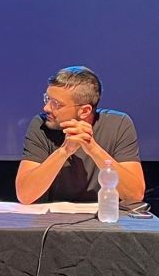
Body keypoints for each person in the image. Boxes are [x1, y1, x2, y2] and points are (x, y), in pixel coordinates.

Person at [15, 65, 145, 204]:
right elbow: (25, 195)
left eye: (56, 104)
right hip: (52, 215)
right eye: (47, 99)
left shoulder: (118, 124)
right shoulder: (41, 125)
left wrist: (93, 149)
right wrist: (64, 151)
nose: (46, 108)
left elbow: (135, 195)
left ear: (84, 111)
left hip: (105, 214)